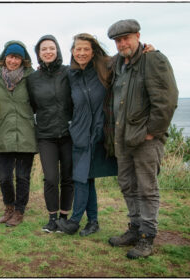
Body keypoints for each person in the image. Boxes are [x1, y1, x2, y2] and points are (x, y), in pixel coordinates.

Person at [105, 19, 178, 259]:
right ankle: (134, 229)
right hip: (123, 138)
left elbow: (167, 101)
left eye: (126, 38)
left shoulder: (153, 59)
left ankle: (147, 237)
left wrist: (152, 132)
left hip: (146, 139)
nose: (122, 43)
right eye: (118, 40)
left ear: (138, 36)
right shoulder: (117, 64)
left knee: (147, 189)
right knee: (127, 184)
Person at [54, 33, 118, 236]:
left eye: (85, 49)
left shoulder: (106, 66)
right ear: (72, 52)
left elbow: (129, 59)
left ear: (93, 51)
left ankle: (74, 221)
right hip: (79, 133)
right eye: (77, 49)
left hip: (99, 132)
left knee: (81, 177)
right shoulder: (70, 74)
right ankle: (93, 222)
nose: (81, 53)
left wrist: (149, 49)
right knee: (85, 177)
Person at [26, 35, 74, 233]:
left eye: (51, 48)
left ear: (58, 50)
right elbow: (33, 105)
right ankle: (52, 218)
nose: (48, 52)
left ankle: (64, 217)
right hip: (46, 134)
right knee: (51, 178)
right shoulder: (32, 78)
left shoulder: (69, 72)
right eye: (43, 49)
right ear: (38, 53)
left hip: (69, 133)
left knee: (68, 177)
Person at [0, 41, 37, 227]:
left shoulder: (32, 77)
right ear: (4, 57)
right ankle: (9, 207)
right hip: (3, 132)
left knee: (23, 177)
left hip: (26, 132)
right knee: (5, 177)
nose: (13, 61)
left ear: (23, 60)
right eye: (10, 56)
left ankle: (19, 211)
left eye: (17, 57)